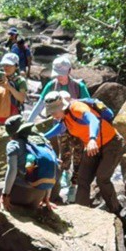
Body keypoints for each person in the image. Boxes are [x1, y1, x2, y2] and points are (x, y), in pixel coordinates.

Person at [43, 91, 126, 215]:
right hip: (93, 147)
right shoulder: (65, 118)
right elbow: (60, 128)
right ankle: (81, 213)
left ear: (62, 107)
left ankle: (116, 211)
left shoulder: (77, 108)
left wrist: (92, 139)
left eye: (54, 112)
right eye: (51, 113)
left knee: (102, 178)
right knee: (83, 179)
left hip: (111, 143)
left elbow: (93, 120)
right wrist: (42, 137)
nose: (53, 115)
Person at [28, 56, 91, 203]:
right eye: (57, 74)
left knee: (79, 157)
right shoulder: (51, 85)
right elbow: (39, 105)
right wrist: (28, 123)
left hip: (78, 128)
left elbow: (88, 104)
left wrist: (73, 103)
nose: (60, 78)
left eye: (62, 74)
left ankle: (74, 186)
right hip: (61, 127)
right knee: (64, 154)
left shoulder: (78, 86)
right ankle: (61, 181)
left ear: (69, 71)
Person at [0, 53, 27, 124]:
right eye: (5, 65)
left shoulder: (20, 81)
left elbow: (22, 99)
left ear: (16, 66)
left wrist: (9, 87)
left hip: (13, 118)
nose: (6, 67)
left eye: (9, 65)